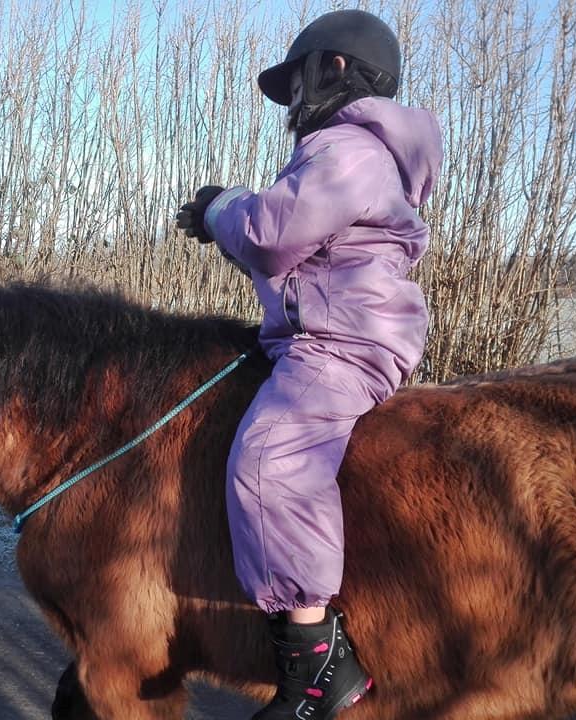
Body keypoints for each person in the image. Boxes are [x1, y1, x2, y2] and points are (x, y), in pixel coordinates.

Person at [176, 9, 443, 719]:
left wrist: (218, 208)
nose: (290, 102)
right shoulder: (351, 151)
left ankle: (318, 668)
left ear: (332, 69)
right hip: (321, 334)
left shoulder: (348, 148)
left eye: (294, 82)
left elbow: (271, 236)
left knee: (271, 460)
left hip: (342, 342)